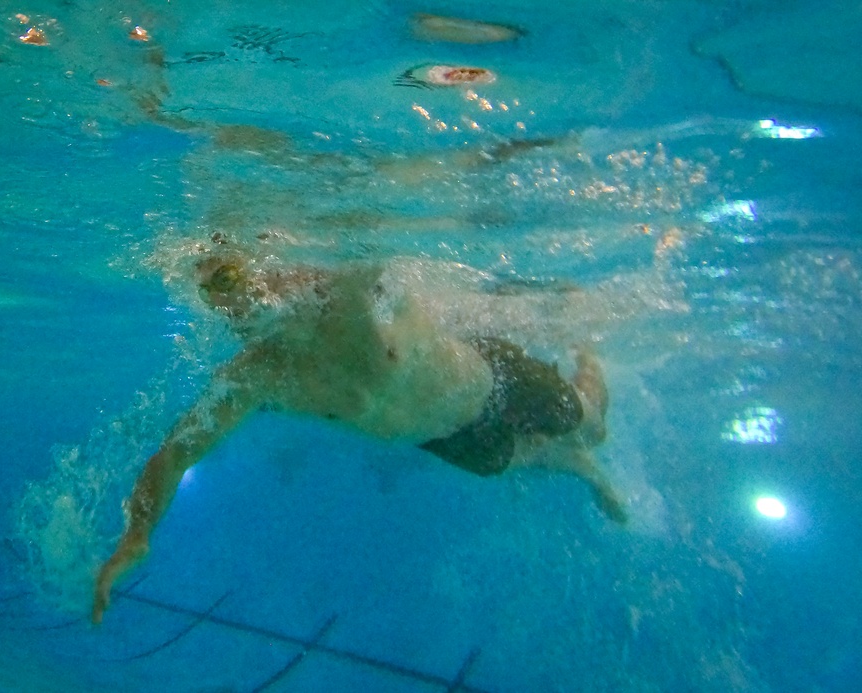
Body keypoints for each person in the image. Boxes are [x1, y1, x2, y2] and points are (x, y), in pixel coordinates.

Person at [91, 250, 626, 623]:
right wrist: (134, 535)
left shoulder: (346, 293)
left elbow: (382, 239)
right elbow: (177, 451)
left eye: (227, 280)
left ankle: (587, 352)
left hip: (495, 379)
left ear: (261, 271)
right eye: (208, 295)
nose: (225, 306)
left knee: (589, 423)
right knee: (518, 460)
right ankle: (577, 464)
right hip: (445, 438)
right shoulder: (255, 375)